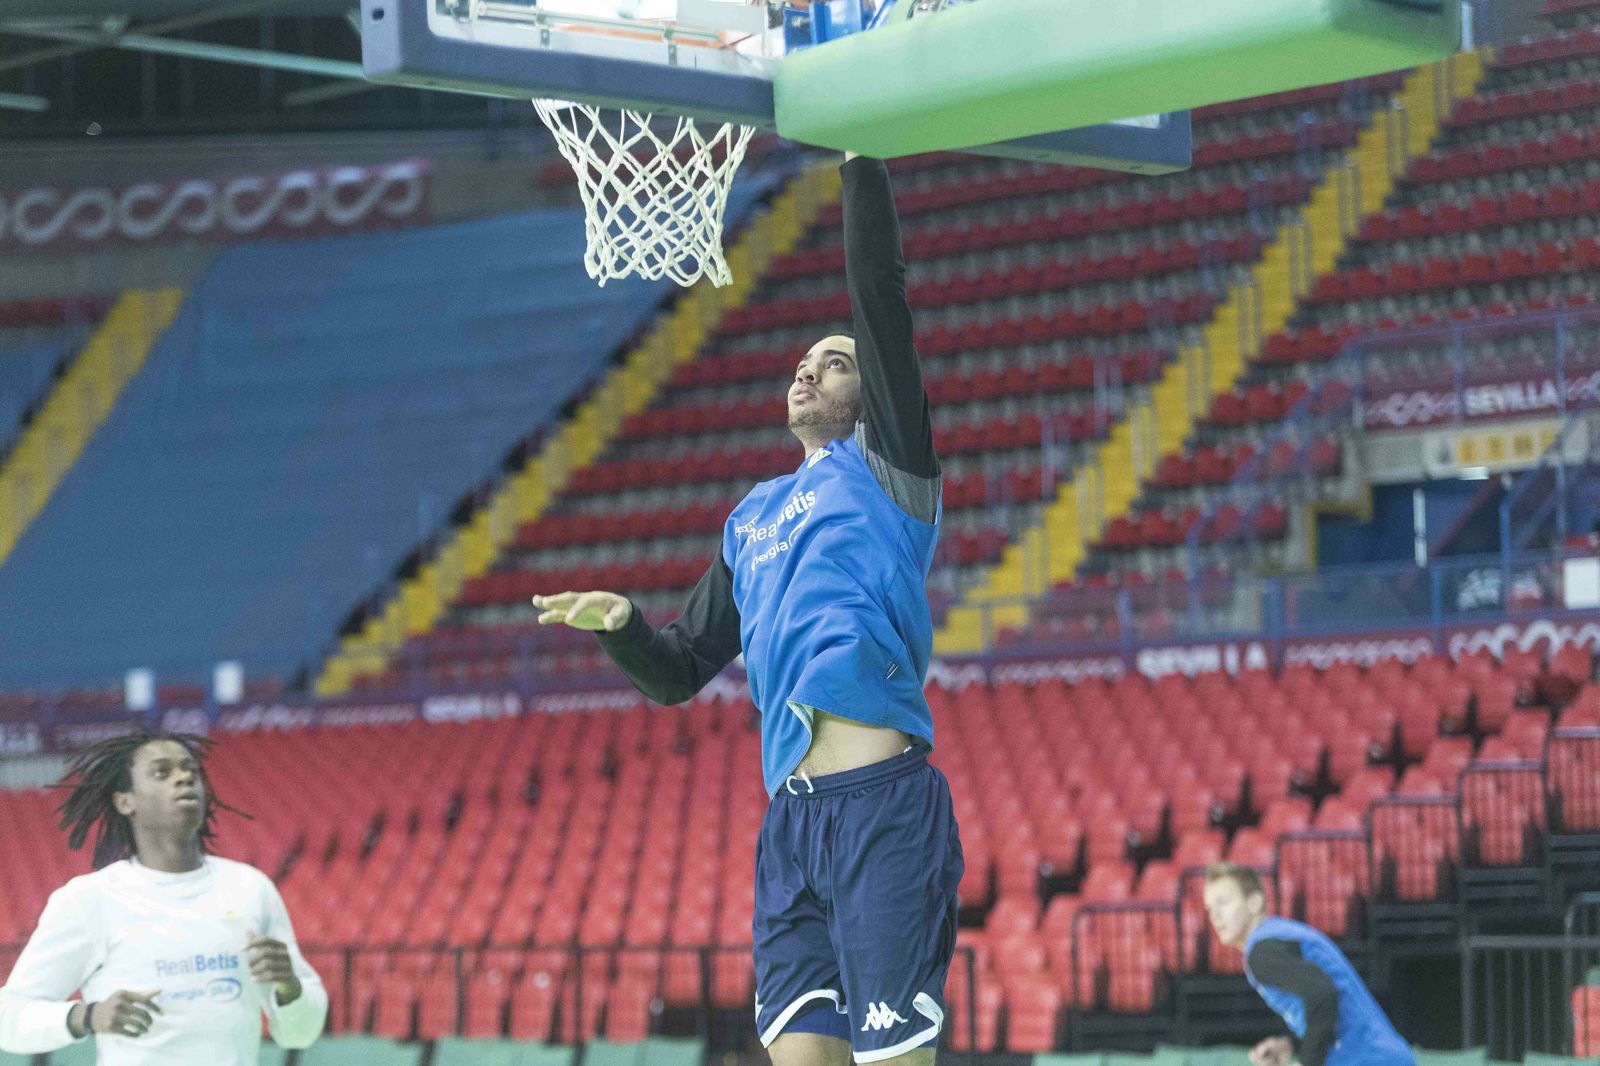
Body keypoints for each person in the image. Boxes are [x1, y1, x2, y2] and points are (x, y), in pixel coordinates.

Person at [534, 151, 960, 1066]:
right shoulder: (749, 517)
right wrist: (621, 627)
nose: (812, 373)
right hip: (791, 826)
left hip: (882, 804)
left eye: (836, 365)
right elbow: (682, 668)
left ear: (868, 394)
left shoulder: (891, 473)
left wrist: (858, 162)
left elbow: (879, 297)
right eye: (804, 364)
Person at [0, 730, 328, 1064]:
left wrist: (289, 987)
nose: (184, 777)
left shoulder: (250, 888)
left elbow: (301, 1033)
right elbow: (7, 1019)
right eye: (162, 772)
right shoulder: (89, 900)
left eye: (191, 770)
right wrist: (89, 1016)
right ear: (125, 800)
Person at [1202, 862, 1414, 1066]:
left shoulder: (1261, 952)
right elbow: (1331, 1006)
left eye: (1224, 902)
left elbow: (1323, 994)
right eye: (1210, 908)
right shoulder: (1281, 935)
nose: (1216, 915)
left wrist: (1308, 1062)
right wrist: (1290, 1045)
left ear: (1254, 903)